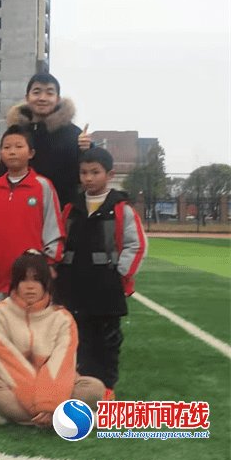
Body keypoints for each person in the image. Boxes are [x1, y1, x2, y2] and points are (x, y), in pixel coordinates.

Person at [55, 147, 148, 400]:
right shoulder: (71, 208)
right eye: (84, 172)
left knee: (106, 342)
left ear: (110, 175)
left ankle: (106, 388)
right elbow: (59, 241)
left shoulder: (121, 209)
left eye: (95, 172)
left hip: (106, 288)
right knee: (75, 338)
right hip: (72, 285)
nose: (88, 178)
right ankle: (77, 386)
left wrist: (120, 275)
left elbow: (136, 244)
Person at [0, 251, 104, 427]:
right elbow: (10, 363)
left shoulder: (62, 317)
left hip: (55, 384)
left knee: (94, 388)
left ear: (47, 283)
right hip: (12, 382)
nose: (29, 286)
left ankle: (19, 416)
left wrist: (50, 402)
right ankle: (63, 417)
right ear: (15, 282)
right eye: (23, 279)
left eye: (36, 279)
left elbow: (62, 362)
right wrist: (42, 405)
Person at [0, 125, 65, 302]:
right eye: (6, 147)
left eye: (19, 146)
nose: (12, 152)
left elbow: (54, 227)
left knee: (35, 327)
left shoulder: (42, 186)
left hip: (33, 277)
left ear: (31, 153)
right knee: (2, 326)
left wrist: (50, 262)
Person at [2, 73, 92, 207]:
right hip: (20, 208)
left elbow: (87, 175)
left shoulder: (73, 134)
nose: (42, 98)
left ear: (57, 99)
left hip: (61, 210)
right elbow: (3, 173)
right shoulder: (15, 133)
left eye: (49, 93)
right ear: (27, 98)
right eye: (37, 92)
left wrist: (87, 149)